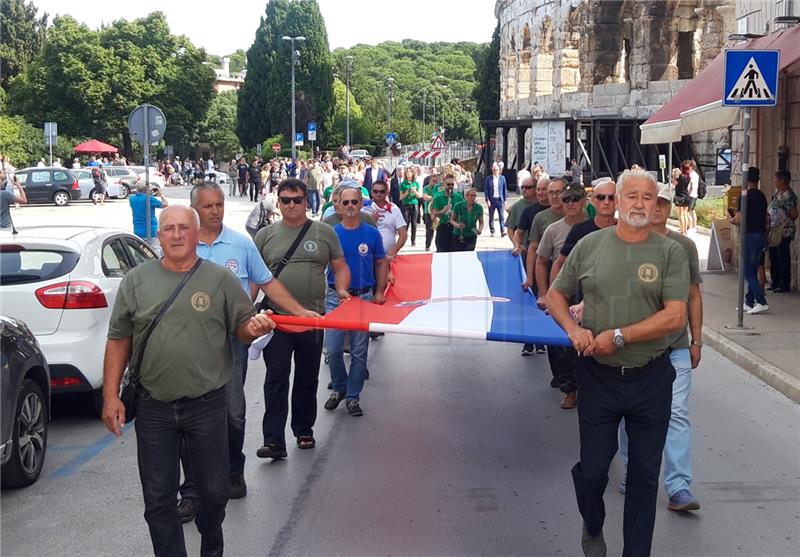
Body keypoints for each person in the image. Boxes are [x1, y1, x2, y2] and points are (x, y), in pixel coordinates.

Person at [101, 205, 276, 557]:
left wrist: (253, 327)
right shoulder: (137, 280)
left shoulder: (220, 280)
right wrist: (110, 397)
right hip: (154, 408)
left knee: (214, 492)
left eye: (183, 227)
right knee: (158, 500)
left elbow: (242, 328)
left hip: (207, 405)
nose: (176, 235)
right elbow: (119, 339)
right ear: (159, 235)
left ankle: (211, 538)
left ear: (196, 234)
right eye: (168, 228)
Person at [546, 170, 690, 557]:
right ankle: (592, 523)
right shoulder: (590, 245)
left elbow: (675, 316)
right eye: (632, 197)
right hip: (598, 378)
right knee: (593, 471)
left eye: (648, 197)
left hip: (651, 378)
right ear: (616, 201)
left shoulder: (670, 252)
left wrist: (620, 336)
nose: (640, 204)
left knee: (644, 477)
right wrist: (571, 329)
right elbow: (556, 295)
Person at [176, 183, 315, 521]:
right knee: (187, 416)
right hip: (188, 345)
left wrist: (299, 311)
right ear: (194, 209)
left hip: (232, 342)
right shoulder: (181, 245)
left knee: (232, 412)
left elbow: (267, 282)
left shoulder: (241, 244)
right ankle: (191, 490)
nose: (215, 211)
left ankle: (233, 470)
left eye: (219, 204)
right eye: (207, 206)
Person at [617, 182, 704, 513]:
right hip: (633, 347)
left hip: (675, 345)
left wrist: (697, 340)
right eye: (653, 202)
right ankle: (631, 470)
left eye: (664, 204)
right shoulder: (623, 242)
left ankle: (678, 485)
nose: (656, 209)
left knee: (676, 412)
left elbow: (694, 295)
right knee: (632, 414)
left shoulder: (684, 246)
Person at [253, 178, 350, 459]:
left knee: (307, 377)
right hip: (276, 319)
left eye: (297, 200)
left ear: (307, 201)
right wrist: (243, 309)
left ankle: (303, 429)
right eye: (286, 200)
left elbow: (340, 266)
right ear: (278, 202)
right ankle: (273, 441)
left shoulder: (324, 233)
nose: (292, 205)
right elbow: (256, 279)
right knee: (276, 378)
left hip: (312, 319)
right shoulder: (265, 236)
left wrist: (341, 288)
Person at [323, 187, 388, 417]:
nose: (350, 206)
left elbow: (381, 263)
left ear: (361, 204)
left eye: (354, 202)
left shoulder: (371, 233)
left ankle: (352, 396)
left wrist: (380, 291)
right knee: (332, 349)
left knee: (360, 352)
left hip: (363, 297)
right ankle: (339, 389)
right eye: (345, 202)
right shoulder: (331, 233)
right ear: (338, 205)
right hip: (335, 298)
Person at [534, 183, 587, 409]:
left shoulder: (597, 226)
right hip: (564, 293)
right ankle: (569, 389)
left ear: (584, 200)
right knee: (564, 345)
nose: (570, 204)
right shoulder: (553, 230)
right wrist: (545, 293)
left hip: (592, 291)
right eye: (566, 200)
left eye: (575, 199)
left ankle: (588, 386)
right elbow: (541, 261)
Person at [513, 175, 550, 356]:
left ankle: (543, 339)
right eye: (540, 190)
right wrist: (516, 246)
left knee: (550, 303)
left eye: (546, 190)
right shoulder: (529, 212)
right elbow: (519, 233)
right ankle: (528, 341)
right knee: (532, 301)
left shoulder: (561, 211)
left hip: (554, 263)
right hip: (533, 261)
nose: (542, 193)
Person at [729, 167, 769, 314]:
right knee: (753, 269)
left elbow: (738, 219)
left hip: (750, 235)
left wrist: (731, 218)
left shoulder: (744, 196)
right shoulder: (762, 196)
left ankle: (761, 301)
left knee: (747, 271)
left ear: (746, 179)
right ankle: (748, 301)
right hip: (761, 235)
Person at [767, 170, 797, 292]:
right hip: (775, 230)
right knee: (774, 256)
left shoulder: (788, 196)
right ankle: (775, 281)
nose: (774, 181)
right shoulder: (779, 192)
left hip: (784, 231)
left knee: (782, 257)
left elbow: (794, 214)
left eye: (776, 179)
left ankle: (784, 284)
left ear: (782, 181)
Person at [368, 179, 408, 258]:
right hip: (369, 256)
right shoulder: (365, 209)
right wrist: (371, 222)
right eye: (375, 191)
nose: (378, 194)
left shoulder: (394, 209)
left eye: (382, 191)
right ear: (371, 192)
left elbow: (403, 234)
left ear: (387, 192)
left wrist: (394, 250)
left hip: (388, 257)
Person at [129, 182, 169, 253]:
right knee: (155, 251)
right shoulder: (149, 199)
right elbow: (165, 205)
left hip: (137, 229)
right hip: (150, 229)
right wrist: (161, 194)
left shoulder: (132, 199)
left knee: (140, 252)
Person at [430, 174, 464, 253]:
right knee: (442, 251)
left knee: (456, 251)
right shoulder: (438, 197)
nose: (450, 186)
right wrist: (443, 211)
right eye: (448, 184)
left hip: (455, 228)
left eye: (452, 184)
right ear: (444, 184)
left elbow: (463, 212)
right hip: (443, 227)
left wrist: (455, 214)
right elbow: (434, 213)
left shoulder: (458, 197)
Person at [507, 175, 538, 255]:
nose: (524, 190)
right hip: (523, 252)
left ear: (536, 188)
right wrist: (516, 245)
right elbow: (510, 230)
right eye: (522, 187)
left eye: (528, 187)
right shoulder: (516, 206)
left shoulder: (543, 204)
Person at [399, 167, 421, 246]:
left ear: (412, 173)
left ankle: (413, 240)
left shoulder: (416, 183)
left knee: (414, 223)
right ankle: (403, 239)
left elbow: (419, 196)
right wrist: (406, 193)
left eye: (410, 172)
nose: (408, 173)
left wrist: (415, 191)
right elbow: (400, 197)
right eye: (407, 172)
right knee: (406, 223)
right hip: (406, 205)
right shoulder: (403, 184)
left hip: (414, 204)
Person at [484, 163, 507, 237]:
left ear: (499, 170)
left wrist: (505, 200)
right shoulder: (488, 178)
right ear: (492, 170)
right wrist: (487, 200)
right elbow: (486, 190)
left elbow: (504, 189)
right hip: (491, 200)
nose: (495, 171)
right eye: (494, 170)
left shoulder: (502, 178)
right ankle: (492, 231)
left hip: (500, 200)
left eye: (496, 170)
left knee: (502, 216)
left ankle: (502, 231)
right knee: (491, 216)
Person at [674, 164, 691, 234]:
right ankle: (686, 230)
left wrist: (674, 174)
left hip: (680, 197)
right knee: (685, 214)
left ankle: (682, 230)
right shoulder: (688, 177)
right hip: (687, 196)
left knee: (680, 215)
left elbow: (674, 183)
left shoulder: (680, 177)